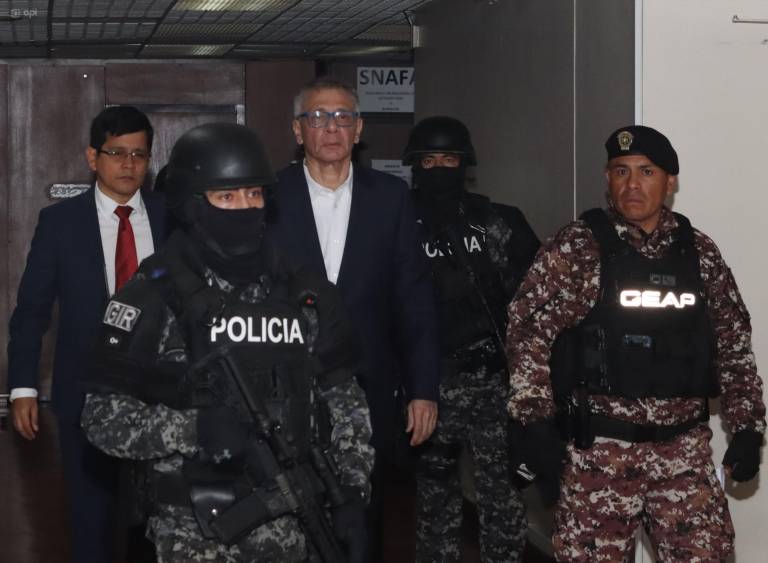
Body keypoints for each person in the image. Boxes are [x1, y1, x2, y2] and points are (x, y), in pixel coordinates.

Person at [80, 122, 374, 563]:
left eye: (254, 194)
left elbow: (346, 401)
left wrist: (351, 492)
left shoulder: (304, 294)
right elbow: (100, 418)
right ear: (193, 205)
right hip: (194, 533)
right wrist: (192, 430)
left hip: (301, 525)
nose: (245, 207)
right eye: (227, 197)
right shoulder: (153, 295)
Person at [507, 125, 766, 562]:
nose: (632, 184)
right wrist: (534, 421)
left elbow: (733, 343)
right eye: (620, 171)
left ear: (670, 181)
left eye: (646, 171)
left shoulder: (699, 254)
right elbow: (527, 332)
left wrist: (747, 427)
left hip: (683, 454)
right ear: (607, 178)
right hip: (599, 457)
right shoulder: (577, 248)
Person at [268, 77, 440, 558]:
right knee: (289, 523)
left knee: (361, 522)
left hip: (368, 391)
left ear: (359, 129)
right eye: (318, 117)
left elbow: (414, 300)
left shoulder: (390, 197)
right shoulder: (268, 196)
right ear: (298, 130)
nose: (331, 128)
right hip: (286, 390)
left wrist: (424, 388)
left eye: (343, 117)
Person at [7, 105, 164, 563]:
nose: (129, 164)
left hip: (162, 402)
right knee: (91, 524)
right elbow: (31, 312)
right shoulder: (60, 223)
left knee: (158, 527)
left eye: (139, 154)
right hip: (85, 399)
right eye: (117, 153)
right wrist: (22, 387)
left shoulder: (172, 218)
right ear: (92, 157)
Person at [404, 116, 539, 563]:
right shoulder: (398, 224)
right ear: (415, 166)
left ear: (464, 164)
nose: (439, 169)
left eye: (448, 160)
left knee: (502, 494)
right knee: (434, 497)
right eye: (429, 161)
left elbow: (535, 300)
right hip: (431, 384)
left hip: (494, 379)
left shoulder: (498, 221)